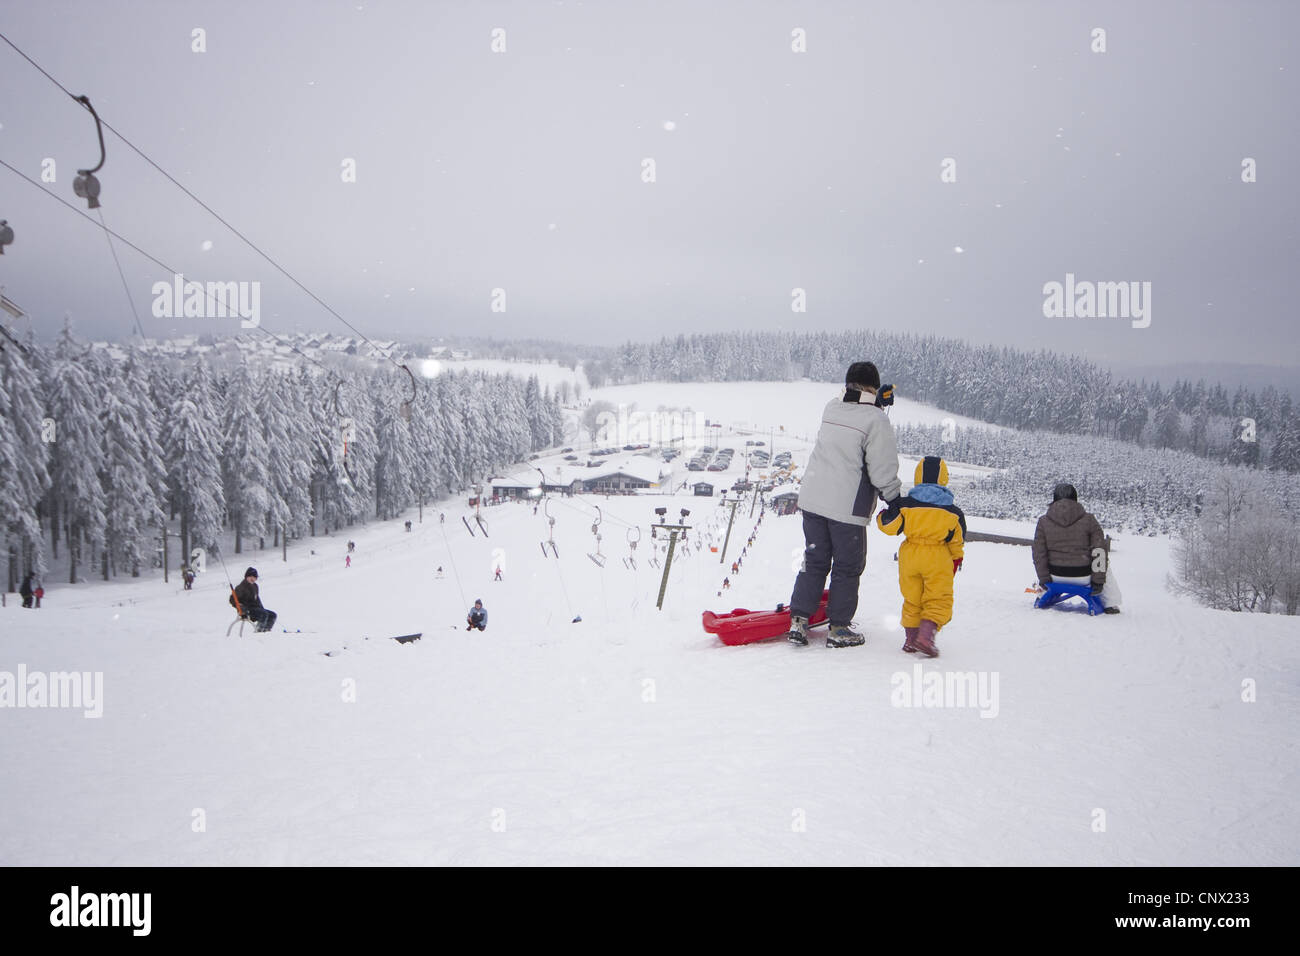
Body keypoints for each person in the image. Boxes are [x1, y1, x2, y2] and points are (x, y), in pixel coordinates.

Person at [787, 361, 902, 648]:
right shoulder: (876, 420)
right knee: (847, 567)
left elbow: (854, 411)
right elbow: (881, 469)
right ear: (873, 387)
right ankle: (838, 628)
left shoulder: (831, 408)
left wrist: (875, 403)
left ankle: (798, 621)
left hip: (813, 501)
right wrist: (894, 498)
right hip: (846, 510)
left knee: (814, 561)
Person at [876, 457, 965, 658]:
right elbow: (957, 540)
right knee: (938, 598)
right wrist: (956, 559)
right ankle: (925, 636)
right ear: (944, 478)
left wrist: (882, 517)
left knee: (912, 598)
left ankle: (910, 639)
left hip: (910, 556)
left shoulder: (907, 504)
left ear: (918, 476)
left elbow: (891, 526)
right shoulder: (952, 510)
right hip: (937, 557)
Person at [1032, 483, 1122, 613]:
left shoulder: (1043, 521)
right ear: (1075, 499)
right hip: (1083, 575)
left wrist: (1044, 580)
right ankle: (1111, 604)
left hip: (1054, 575)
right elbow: (1099, 552)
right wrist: (1098, 582)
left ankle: (1042, 594)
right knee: (1105, 568)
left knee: (1042, 562)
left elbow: (1039, 554)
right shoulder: (1089, 520)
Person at [231, 567, 277, 632]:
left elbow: (257, 599)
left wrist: (261, 608)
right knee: (264, 614)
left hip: (256, 609)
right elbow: (232, 600)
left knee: (273, 615)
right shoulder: (241, 587)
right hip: (246, 610)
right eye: (251, 577)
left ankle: (266, 630)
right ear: (246, 577)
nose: (253, 579)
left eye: (255, 577)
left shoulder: (255, 586)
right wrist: (241, 607)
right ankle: (259, 631)